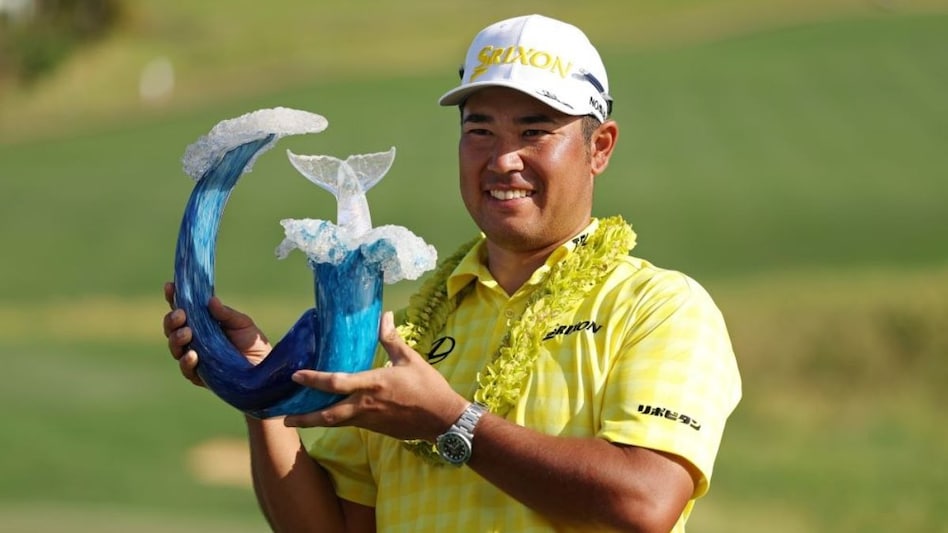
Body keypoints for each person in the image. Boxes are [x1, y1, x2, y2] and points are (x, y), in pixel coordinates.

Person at [163, 13, 741, 532]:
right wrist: (261, 387)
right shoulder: (408, 333)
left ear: (600, 147)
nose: (502, 158)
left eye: (535, 131)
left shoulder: (660, 307)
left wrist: (449, 420)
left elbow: (644, 501)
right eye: (480, 129)